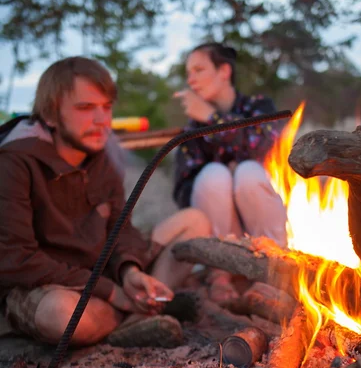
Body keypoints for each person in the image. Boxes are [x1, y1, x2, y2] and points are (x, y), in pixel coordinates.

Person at [0, 56, 211, 348]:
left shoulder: (103, 153)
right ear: (50, 115)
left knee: (194, 222)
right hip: (49, 285)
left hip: (103, 272)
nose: (102, 121)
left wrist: (130, 271)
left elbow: (120, 228)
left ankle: (136, 313)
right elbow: (14, 259)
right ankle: (138, 312)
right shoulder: (15, 161)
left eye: (106, 107)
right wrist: (111, 291)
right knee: (61, 315)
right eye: (86, 108)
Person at [173, 42, 287, 303]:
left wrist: (212, 119)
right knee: (214, 175)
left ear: (224, 71)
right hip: (223, 229)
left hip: (262, 221)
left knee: (248, 171)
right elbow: (183, 191)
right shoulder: (192, 128)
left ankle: (274, 269)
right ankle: (220, 272)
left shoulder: (259, 106)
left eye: (199, 69)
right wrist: (225, 171)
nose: (191, 79)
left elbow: (263, 145)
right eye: (189, 72)